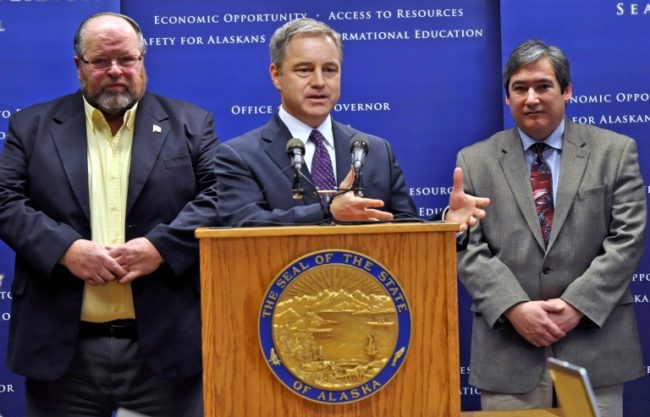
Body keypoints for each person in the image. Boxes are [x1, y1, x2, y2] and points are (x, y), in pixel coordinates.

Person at [0, 12, 218, 417]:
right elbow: (4, 201)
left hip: (165, 350)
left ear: (143, 61)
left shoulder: (191, 124)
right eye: (101, 62)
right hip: (63, 354)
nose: (115, 71)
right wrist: (65, 249)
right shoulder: (31, 126)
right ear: (79, 67)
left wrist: (160, 247)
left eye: (126, 60)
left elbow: (218, 198)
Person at [456, 40, 646, 417]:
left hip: (596, 348)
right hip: (509, 353)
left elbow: (628, 238)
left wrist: (577, 305)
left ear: (567, 91)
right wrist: (514, 307)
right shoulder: (474, 161)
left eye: (543, 86)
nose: (531, 98)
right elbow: (468, 247)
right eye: (520, 88)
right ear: (507, 98)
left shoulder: (616, 151)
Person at [215, 18, 488, 230]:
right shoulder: (240, 156)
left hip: (368, 297)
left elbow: (405, 231)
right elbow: (241, 225)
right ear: (276, 75)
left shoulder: (377, 151)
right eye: (304, 69)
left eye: (330, 70)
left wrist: (446, 224)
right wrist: (327, 212)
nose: (319, 82)